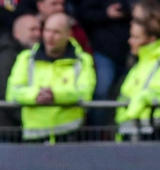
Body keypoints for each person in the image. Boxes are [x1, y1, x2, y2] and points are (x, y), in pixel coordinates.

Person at [80, 0, 157, 103]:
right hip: (106, 49)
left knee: (135, 94)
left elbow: (159, 13)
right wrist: (106, 14)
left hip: (139, 49)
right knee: (102, 91)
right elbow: (84, 13)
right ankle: (99, 128)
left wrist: (139, 13)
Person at [5, 12, 95, 141]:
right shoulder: (26, 58)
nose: (50, 37)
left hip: (69, 134)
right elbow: (12, 93)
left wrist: (55, 96)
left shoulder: (82, 60)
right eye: (47, 31)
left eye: (56, 32)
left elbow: (85, 93)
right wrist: (36, 95)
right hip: (34, 135)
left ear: (68, 34)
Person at [115, 9, 160, 138]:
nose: (130, 41)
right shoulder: (139, 64)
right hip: (132, 135)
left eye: (136, 37)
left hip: (156, 137)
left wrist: (144, 98)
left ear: (151, 40)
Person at [0, 12, 40, 128]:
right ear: (17, 34)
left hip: (25, 127)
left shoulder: (35, 55)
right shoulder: (6, 56)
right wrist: (27, 118)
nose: (38, 34)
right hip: (7, 129)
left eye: (39, 29)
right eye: (32, 30)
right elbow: (4, 92)